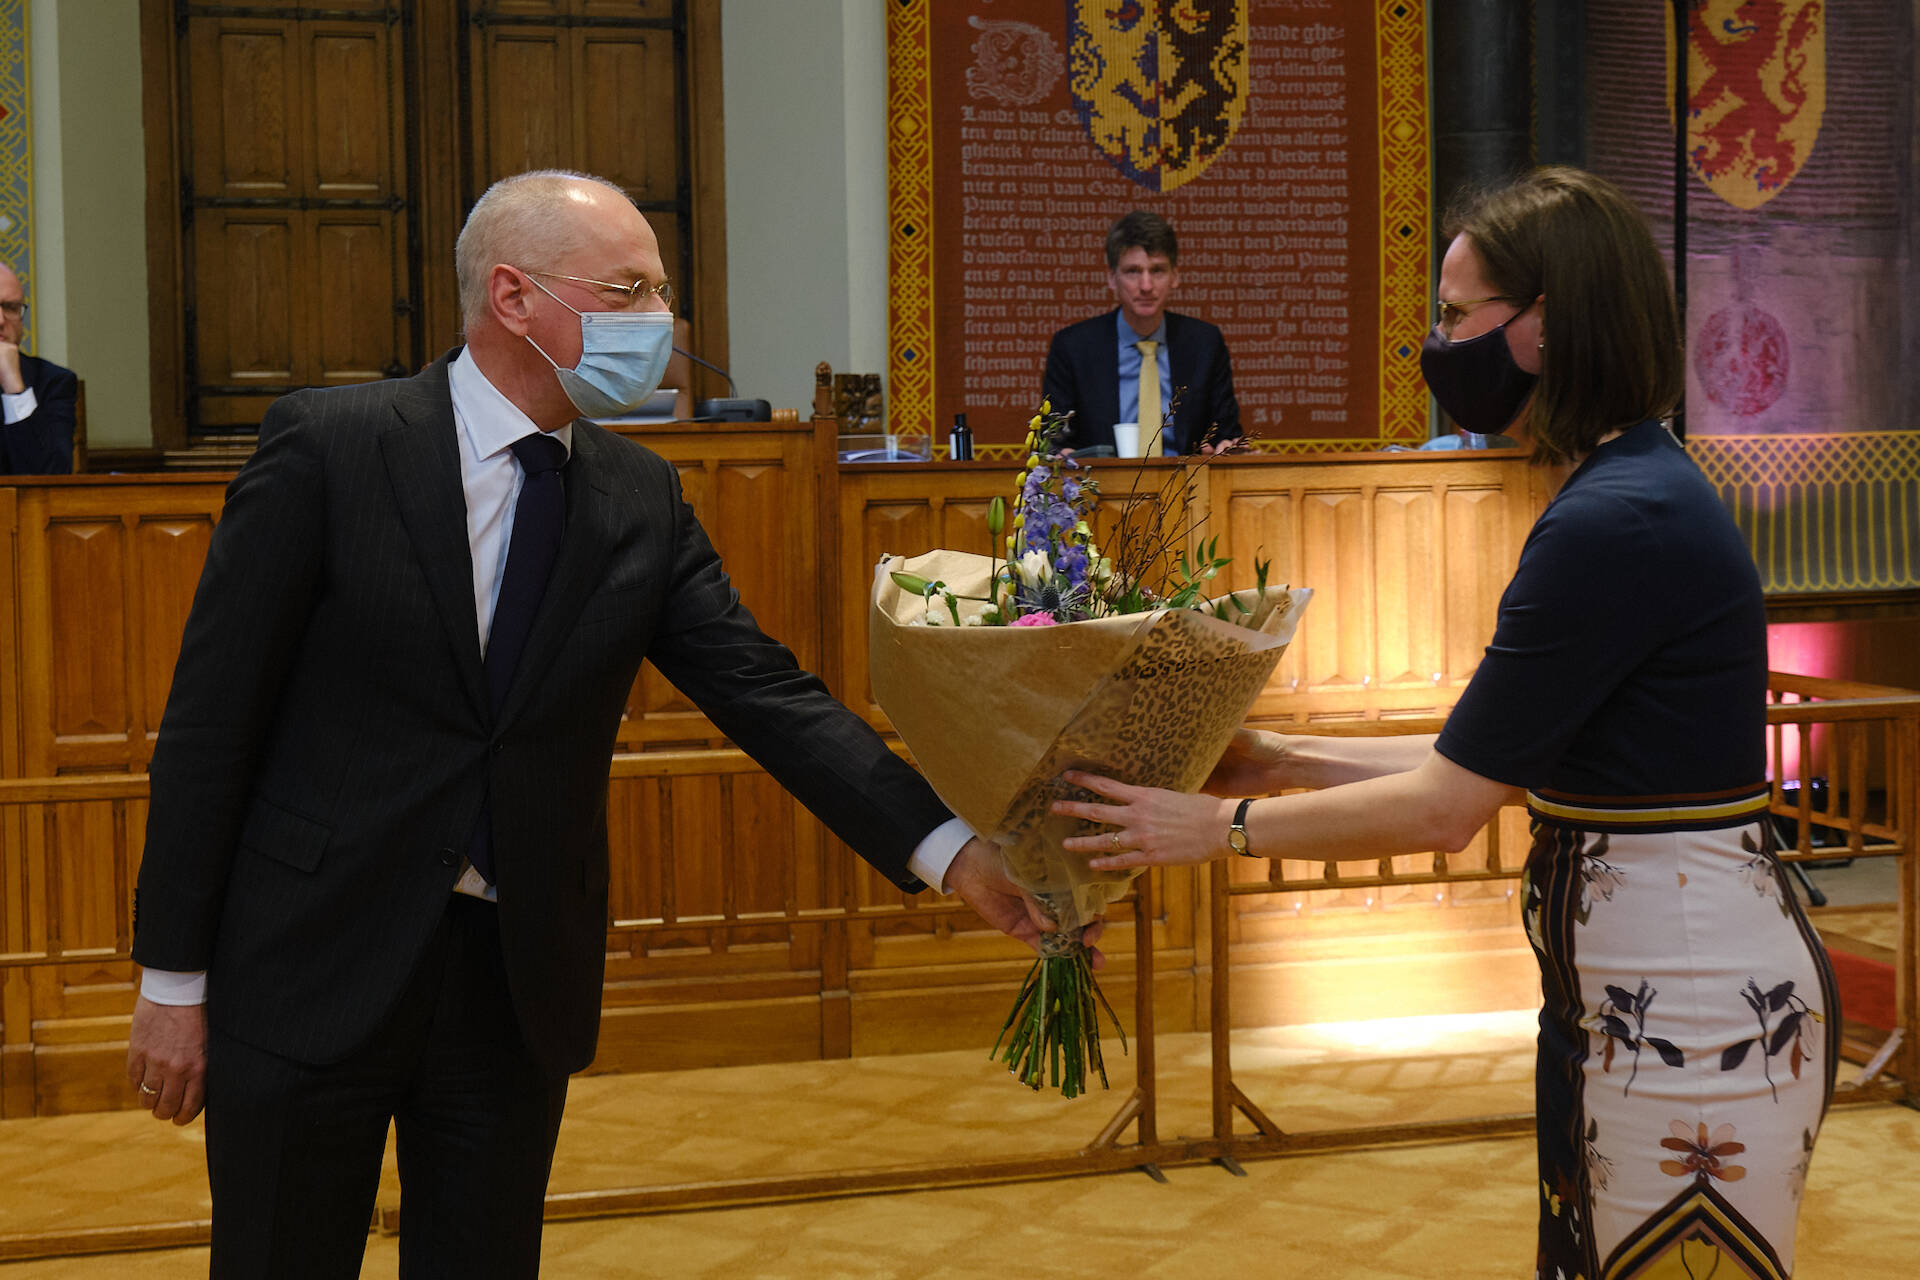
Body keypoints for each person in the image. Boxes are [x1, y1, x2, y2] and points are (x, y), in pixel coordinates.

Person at [124, 169, 1064, 1278]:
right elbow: (209, 726)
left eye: (661, 292)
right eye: (627, 291)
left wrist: (956, 854)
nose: (659, 324)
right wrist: (172, 983)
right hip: (307, 960)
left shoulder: (639, 500)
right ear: (514, 297)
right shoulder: (331, 447)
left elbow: (768, 694)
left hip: (510, 983)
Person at [1054, 168, 1835, 1279]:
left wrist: (1214, 826)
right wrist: (1279, 761)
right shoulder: (1622, 491)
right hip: (1636, 997)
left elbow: (1446, 807)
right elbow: (1491, 758)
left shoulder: (1616, 520)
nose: (1439, 341)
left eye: (1456, 313)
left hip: (1695, 1016)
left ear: (1544, 327)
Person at [1041, 210, 1241, 456]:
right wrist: (1063, 455)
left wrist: (1226, 447)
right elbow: (1052, 439)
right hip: (1102, 488)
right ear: (1112, 278)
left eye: (1157, 271)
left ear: (1174, 277)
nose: (1146, 286)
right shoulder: (1073, 348)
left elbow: (1227, 431)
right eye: (1133, 271)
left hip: (1189, 487)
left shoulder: (1204, 344)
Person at [0, 262, 78, 474]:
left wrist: (15, 390)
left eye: (10, 308)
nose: (0, 320)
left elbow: (51, 478)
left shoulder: (54, 382)